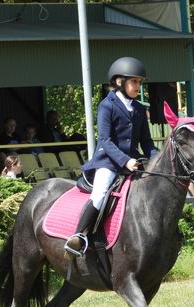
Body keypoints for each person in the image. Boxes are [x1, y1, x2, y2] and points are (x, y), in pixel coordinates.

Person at [64, 56, 158, 257]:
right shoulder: (107, 105)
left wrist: (158, 161)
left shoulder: (140, 108)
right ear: (119, 82)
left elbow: (147, 142)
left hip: (134, 162)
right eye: (134, 82)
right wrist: (125, 160)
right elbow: (105, 141)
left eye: (140, 82)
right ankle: (79, 236)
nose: (138, 86)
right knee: (99, 194)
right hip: (109, 162)